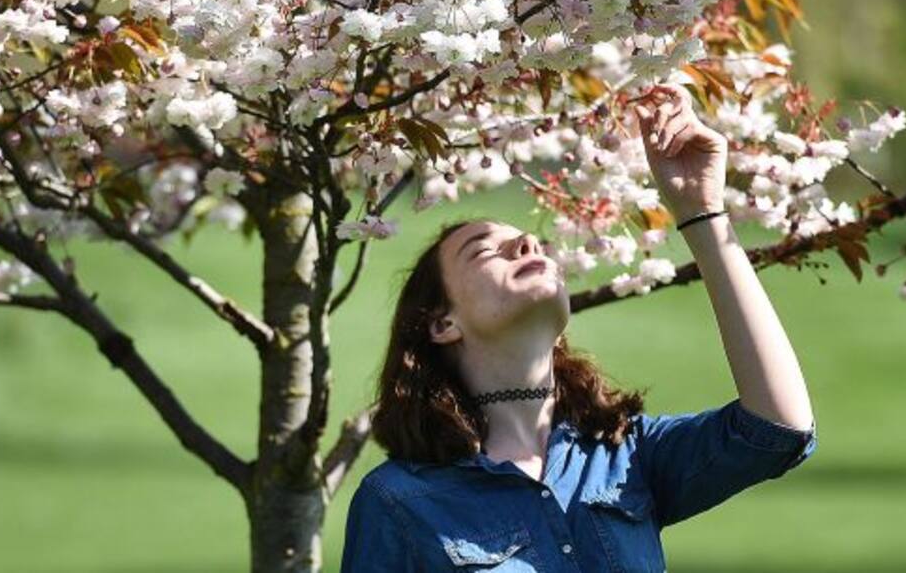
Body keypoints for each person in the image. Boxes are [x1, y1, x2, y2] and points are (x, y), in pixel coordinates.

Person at [339, 83, 818, 572]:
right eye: (484, 250)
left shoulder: (625, 453)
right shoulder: (398, 502)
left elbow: (776, 430)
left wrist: (702, 212)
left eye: (532, 242)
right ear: (443, 323)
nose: (528, 242)